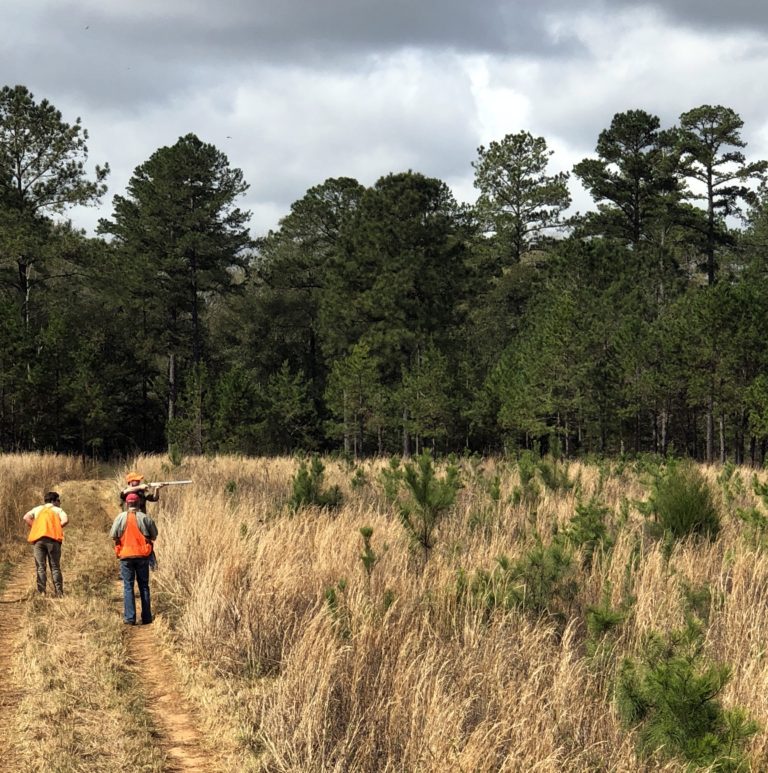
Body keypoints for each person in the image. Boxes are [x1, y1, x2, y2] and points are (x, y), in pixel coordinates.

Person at [110, 492, 158, 625]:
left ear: (127, 504)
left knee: (128, 586)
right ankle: (147, 618)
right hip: (142, 555)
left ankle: (130, 618)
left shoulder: (120, 518)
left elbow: (113, 535)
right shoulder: (145, 518)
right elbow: (154, 535)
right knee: (144, 586)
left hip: (125, 556)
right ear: (139, 503)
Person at [22, 491, 69, 596]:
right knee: (55, 567)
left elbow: (26, 517)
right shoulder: (58, 510)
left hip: (39, 541)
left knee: (40, 567)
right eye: (58, 500)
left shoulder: (37, 509)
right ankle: (59, 593)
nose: (59, 503)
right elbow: (65, 520)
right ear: (53, 501)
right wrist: (55, 528)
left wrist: (36, 528)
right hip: (53, 541)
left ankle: (42, 593)